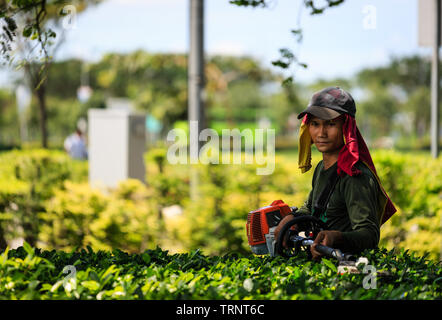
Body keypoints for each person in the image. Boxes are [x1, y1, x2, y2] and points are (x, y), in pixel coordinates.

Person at [274, 87, 396, 261]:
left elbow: (369, 235)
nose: (321, 133)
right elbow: (311, 207)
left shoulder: (355, 176)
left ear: (346, 128)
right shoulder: (321, 168)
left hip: (346, 268)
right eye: (315, 124)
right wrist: (291, 218)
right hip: (320, 264)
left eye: (330, 124)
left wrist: (337, 237)